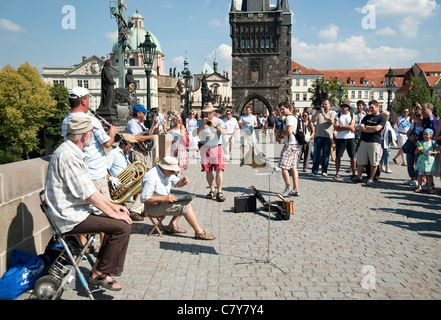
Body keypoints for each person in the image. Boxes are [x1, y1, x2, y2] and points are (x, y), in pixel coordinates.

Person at [45, 116, 132, 291]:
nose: (93, 136)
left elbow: (89, 189)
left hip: (76, 210)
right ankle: (100, 272)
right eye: (91, 132)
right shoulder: (68, 155)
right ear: (85, 135)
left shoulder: (72, 151)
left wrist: (112, 206)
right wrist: (113, 212)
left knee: (120, 220)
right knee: (121, 226)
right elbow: (88, 194)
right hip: (69, 217)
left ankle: (102, 269)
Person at [140, 156, 216, 240]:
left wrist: (183, 182)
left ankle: (172, 225)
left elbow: (177, 183)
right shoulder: (151, 177)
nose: (173, 172)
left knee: (187, 200)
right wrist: (164, 198)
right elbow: (144, 198)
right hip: (152, 207)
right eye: (172, 170)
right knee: (185, 206)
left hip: (162, 202)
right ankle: (199, 232)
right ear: (165, 168)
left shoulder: (166, 172)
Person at [62, 87, 117, 199]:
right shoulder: (91, 121)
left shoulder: (65, 121)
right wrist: (112, 133)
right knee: (105, 211)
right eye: (88, 99)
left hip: (79, 174)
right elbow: (107, 144)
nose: (89, 103)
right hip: (96, 174)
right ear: (83, 101)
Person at [105, 133, 144, 221]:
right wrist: (111, 178)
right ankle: (134, 210)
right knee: (145, 188)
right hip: (116, 185)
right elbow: (103, 168)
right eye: (131, 144)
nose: (133, 146)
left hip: (125, 183)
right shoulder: (113, 153)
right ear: (124, 143)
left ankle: (136, 209)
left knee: (148, 186)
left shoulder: (126, 154)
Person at [196, 102, 227, 202]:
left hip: (217, 147)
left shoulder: (218, 121)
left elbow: (224, 132)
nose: (207, 115)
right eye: (205, 113)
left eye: (209, 113)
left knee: (219, 169)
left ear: (213, 112)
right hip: (205, 148)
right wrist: (202, 125)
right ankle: (212, 190)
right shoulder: (200, 121)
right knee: (208, 170)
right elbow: (196, 133)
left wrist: (215, 126)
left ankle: (219, 191)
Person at [354, 100, 387, 185]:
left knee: (374, 161)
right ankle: (359, 177)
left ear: (377, 106)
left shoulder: (382, 118)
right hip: (364, 141)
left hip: (375, 141)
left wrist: (366, 127)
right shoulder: (367, 117)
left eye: (372, 107)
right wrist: (370, 128)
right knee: (360, 160)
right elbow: (361, 127)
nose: (371, 109)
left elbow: (377, 129)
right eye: (370, 108)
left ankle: (371, 178)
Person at [277, 102, 301, 197]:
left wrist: (281, 133)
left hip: (290, 145)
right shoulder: (295, 117)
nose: (282, 111)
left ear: (288, 108)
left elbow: (289, 132)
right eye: (280, 110)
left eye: (283, 109)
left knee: (283, 167)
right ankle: (296, 189)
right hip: (296, 144)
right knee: (293, 168)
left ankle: (288, 188)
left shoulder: (289, 118)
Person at [310, 99, 336, 176]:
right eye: (323, 104)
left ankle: (324, 171)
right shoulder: (319, 113)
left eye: (325, 104)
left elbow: (331, 121)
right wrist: (317, 112)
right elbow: (312, 120)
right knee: (316, 154)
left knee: (326, 155)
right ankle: (314, 171)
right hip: (318, 136)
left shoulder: (332, 113)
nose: (324, 106)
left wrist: (324, 114)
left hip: (327, 136)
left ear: (329, 105)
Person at [333, 101, 356, 180]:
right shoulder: (338, 115)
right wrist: (348, 127)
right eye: (342, 106)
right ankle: (337, 172)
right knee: (338, 156)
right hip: (340, 138)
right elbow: (335, 127)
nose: (344, 107)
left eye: (345, 106)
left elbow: (352, 126)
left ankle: (353, 173)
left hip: (350, 137)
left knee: (352, 156)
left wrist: (340, 127)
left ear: (348, 107)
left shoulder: (352, 115)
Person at [414, 129, 439, 193]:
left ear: (431, 135)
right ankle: (419, 187)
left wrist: (432, 152)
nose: (425, 136)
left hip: (429, 161)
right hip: (421, 161)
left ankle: (429, 187)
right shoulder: (421, 142)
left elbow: (438, 152)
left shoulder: (433, 143)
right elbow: (416, 153)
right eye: (424, 134)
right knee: (420, 174)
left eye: (427, 134)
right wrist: (418, 149)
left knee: (429, 175)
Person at [404, 111, 424, 186]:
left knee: (417, 162)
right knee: (409, 162)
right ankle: (412, 178)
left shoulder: (424, 125)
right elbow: (408, 133)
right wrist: (410, 137)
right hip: (411, 145)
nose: (418, 117)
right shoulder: (413, 124)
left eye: (419, 115)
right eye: (416, 116)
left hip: (418, 146)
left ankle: (416, 178)